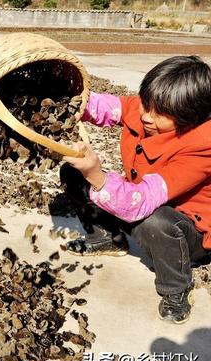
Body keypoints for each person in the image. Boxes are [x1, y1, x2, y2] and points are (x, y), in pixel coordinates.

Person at [61, 55, 211, 324]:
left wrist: (96, 174)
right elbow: (104, 106)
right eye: (146, 104)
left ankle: (177, 288)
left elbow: (141, 202)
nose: (146, 116)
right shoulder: (147, 109)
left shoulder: (202, 146)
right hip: (143, 199)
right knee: (73, 173)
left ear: (190, 118)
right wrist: (66, 99)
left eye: (160, 114)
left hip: (191, 231)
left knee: (154, 221)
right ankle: (108, 238)